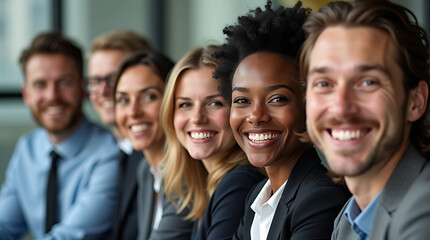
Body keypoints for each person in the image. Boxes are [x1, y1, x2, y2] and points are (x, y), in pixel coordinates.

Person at [213, 1, 351, 239]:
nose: (256, 116)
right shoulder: (257, 197)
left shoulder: (322, 198)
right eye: (242, 100)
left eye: (277, 99)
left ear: (309, 104)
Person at [300, 0, 430, 239]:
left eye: (368, 82)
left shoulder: (424, 212)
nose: (341, 107)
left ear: (415, 101)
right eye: (324, 84)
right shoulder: (349, 218)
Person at [0, 32, 119, 239]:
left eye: (64, 83)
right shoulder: (27, 148)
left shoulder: (110, 153)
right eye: (40, 85)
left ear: (83, 89)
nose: (52, 96)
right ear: (26, 94)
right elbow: (5, 225)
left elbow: (69, 237)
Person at [160, 45, 265, 240]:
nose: (197, 117)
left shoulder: (239, 183)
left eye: (214, 103)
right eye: (185, 104)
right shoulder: (205, 188)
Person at [114, 50, 194, 240]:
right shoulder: (145, 170)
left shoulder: (187, 171)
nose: (133, 112)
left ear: (173, 101)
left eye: (148, 97)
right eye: (124, 100)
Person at [87, 29, 153, 239]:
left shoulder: (159, 155)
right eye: (95, 81)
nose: (103, 91)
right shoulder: (107, 152)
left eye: (113, 79)